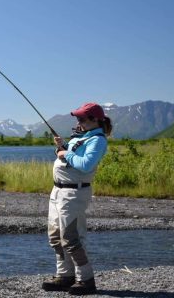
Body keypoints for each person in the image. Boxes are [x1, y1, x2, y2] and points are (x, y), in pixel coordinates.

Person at [42, 102, 112, 295]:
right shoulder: (81, 137)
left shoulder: (97, 140)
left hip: (74, 194)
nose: (78, 121)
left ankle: (86, 279)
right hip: (58, 192)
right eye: (77, 118)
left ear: (95, 120)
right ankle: (65, 276)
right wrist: (61, 148)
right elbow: (69, 158)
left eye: (82, 118)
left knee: (71, 238)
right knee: (55, 237)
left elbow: (86, 164)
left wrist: (66, 153)